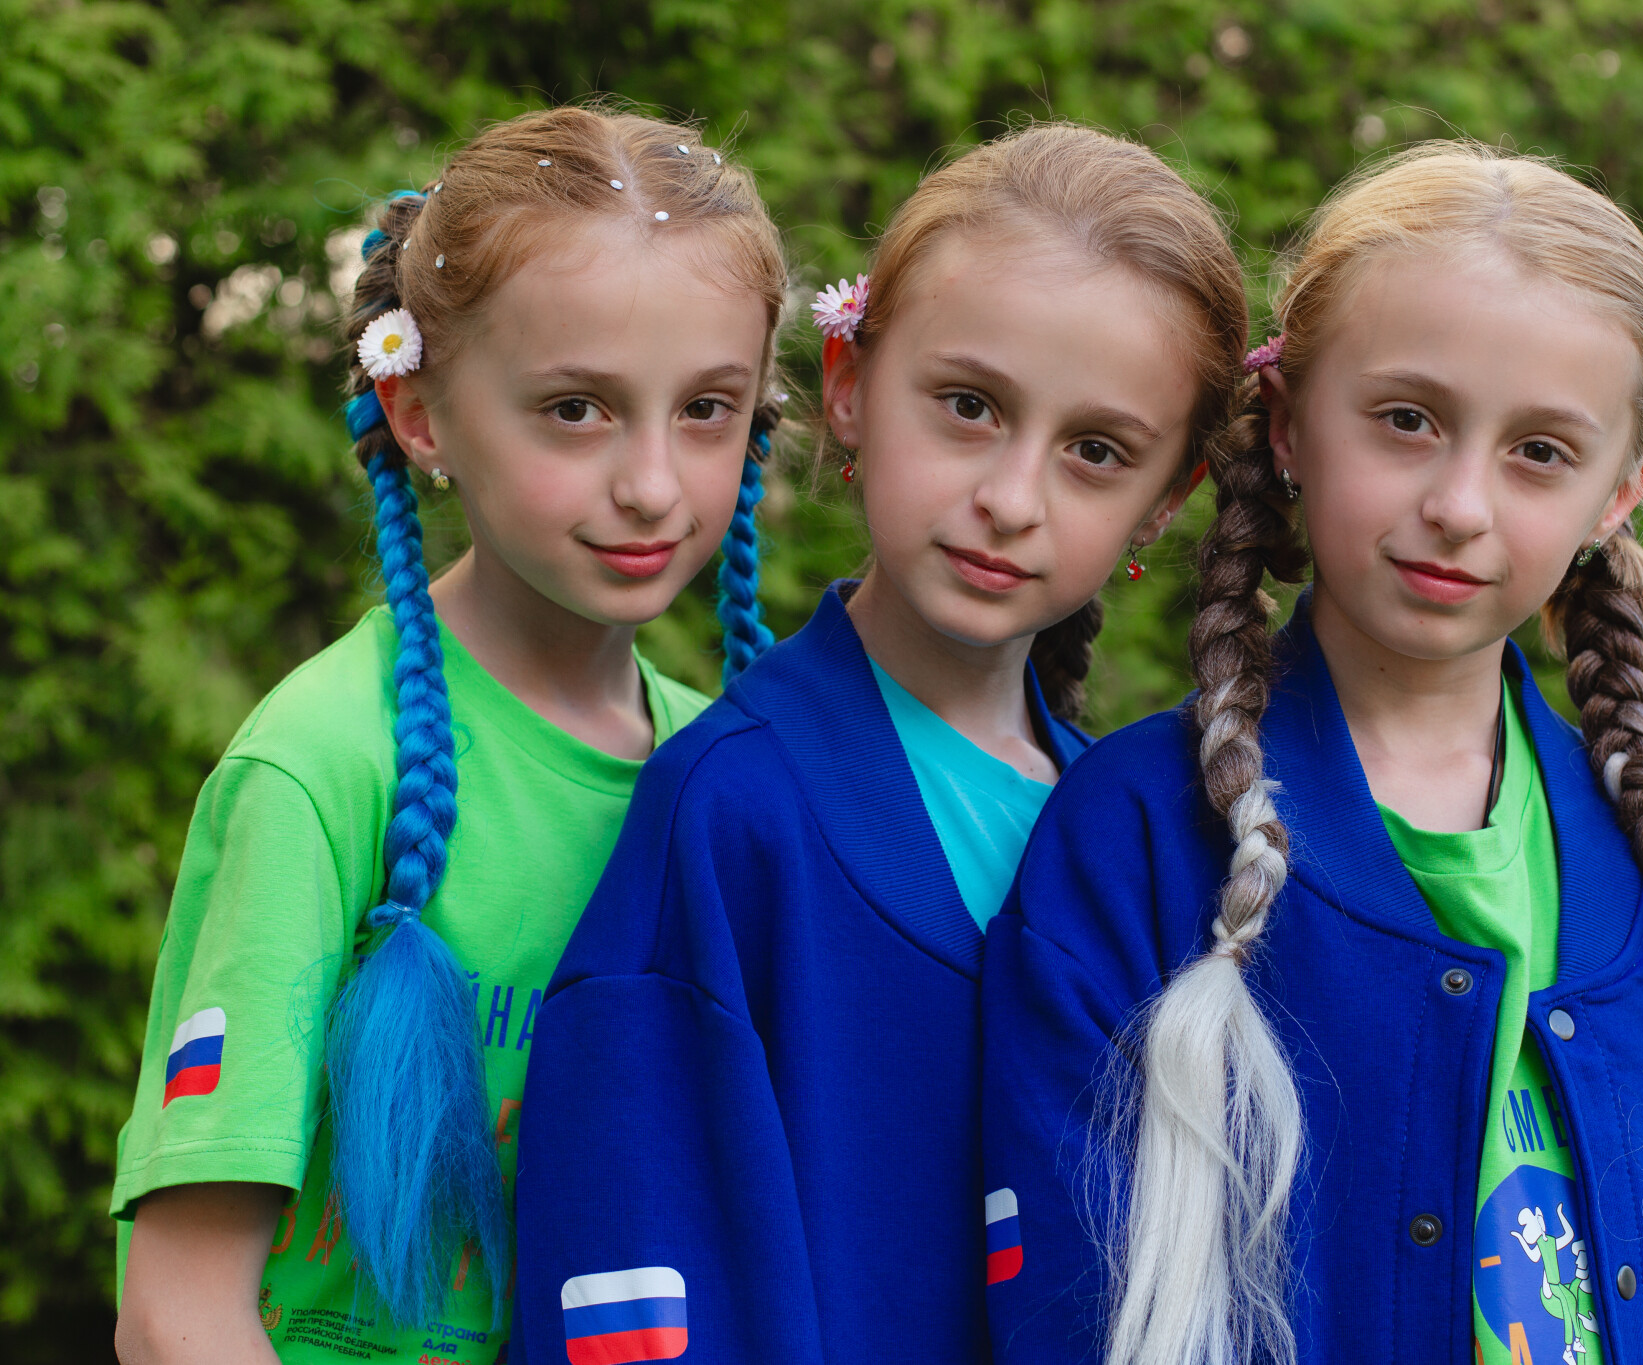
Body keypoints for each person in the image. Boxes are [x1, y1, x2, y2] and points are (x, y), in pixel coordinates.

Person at [981, 144, 1643, 1365]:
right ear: (1287, 425)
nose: (1459, 506)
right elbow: (1069, 1292)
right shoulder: (1137, 839)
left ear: (1617, 494)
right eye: (1406, 421)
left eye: (1539, 452)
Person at [511, 123, 1244, 1364]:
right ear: (848, 383)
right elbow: (630, 1268)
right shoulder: (733, 810)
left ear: (1162, 504)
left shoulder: (1147, 843)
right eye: (968, 407)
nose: (1010, 498)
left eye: (1095, 452)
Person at [109, 104, 787, 1365]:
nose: (651, 482)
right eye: (576, 409)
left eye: (707, 408)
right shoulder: (323, 762)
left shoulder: (724, 780)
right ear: (417, 411)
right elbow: (174, 1314)